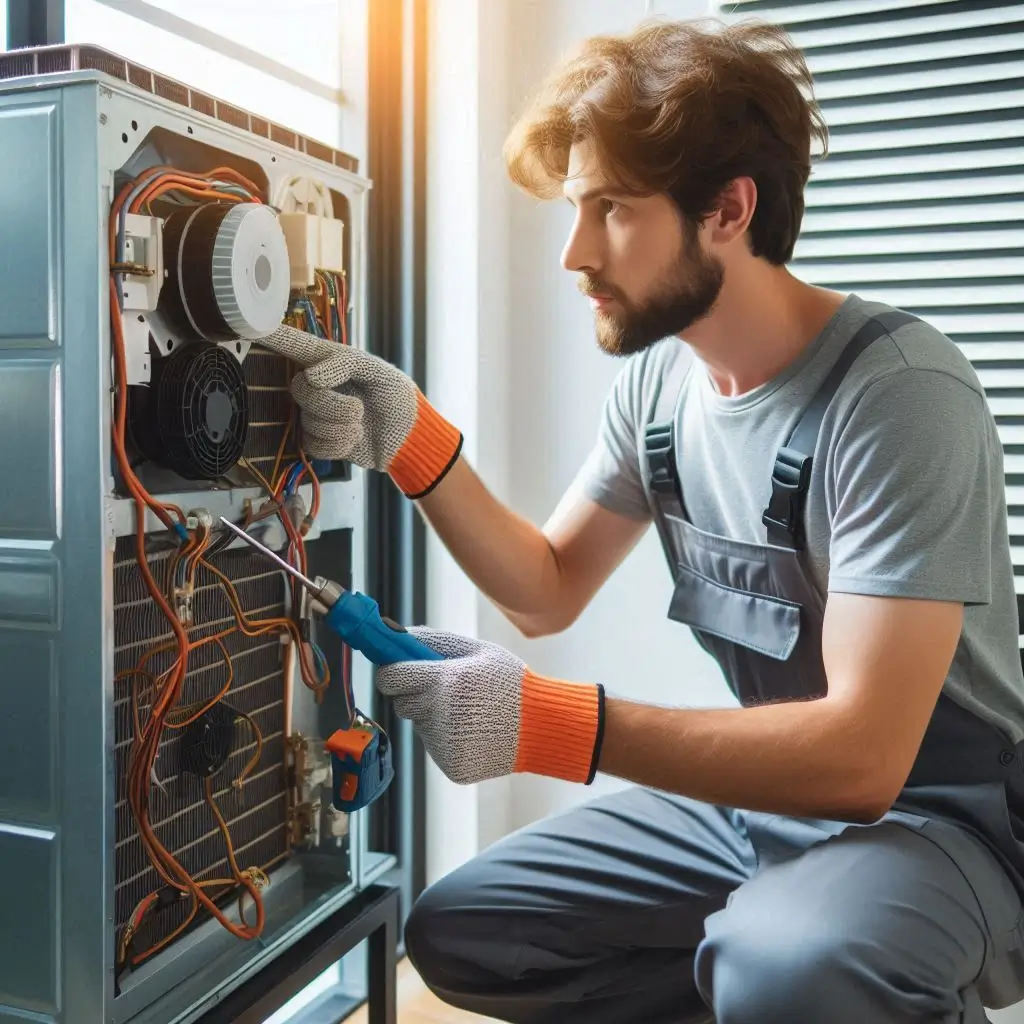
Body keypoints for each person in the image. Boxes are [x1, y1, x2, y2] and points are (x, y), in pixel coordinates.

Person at [259, 16, 1024, 1024]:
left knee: (788, 968)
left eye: (609, 209)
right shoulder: (663, 387)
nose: (574, 253)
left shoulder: (898, 395)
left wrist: (542, 724)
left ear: (726, 209)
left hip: (940, 823)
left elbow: (862, 757)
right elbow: (545, 586)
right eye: (576, 210)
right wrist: (409, 440)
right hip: (768, 808)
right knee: (467, 929)